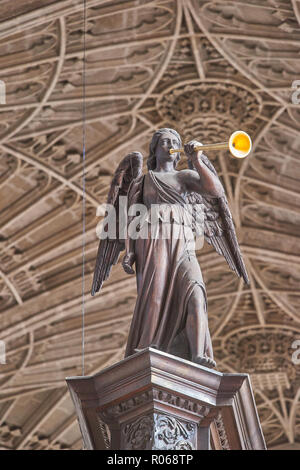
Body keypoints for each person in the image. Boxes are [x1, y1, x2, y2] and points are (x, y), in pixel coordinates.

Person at [122, 128, 225, 368]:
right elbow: (130, 217)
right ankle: (149, 346)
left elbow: (214, 191)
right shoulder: (145, 180)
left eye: (174, 142)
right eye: (164, 141)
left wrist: (197, 160)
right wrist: (129, 251)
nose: (169, 145)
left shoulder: (185, 177)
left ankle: (198, 352)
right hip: (152, 237)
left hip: (183, 239)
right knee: (154, 293)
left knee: (196, 292)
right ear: (155, 149)